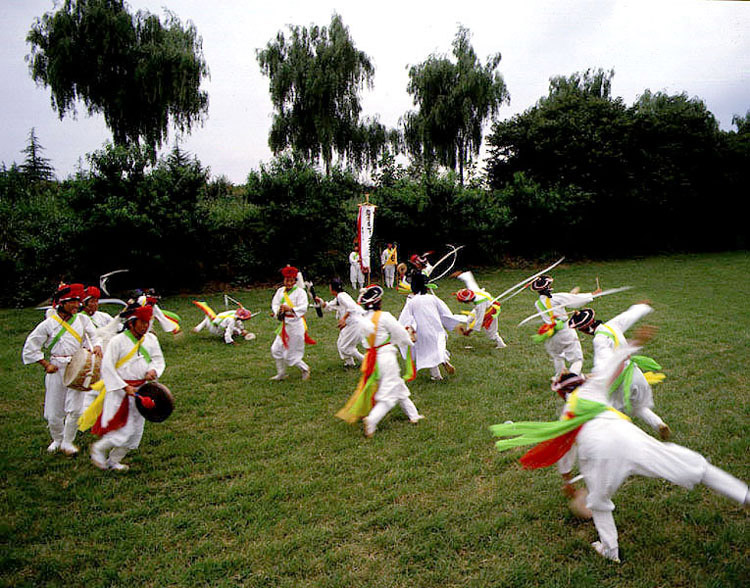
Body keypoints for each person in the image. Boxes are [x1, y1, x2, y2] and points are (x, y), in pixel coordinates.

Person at [490, 327, 749, 563]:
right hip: (626, 435)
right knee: (690, 464)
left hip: (597, 450)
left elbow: (564, 450)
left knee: (599, 501)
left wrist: (567, 480)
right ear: (582, 384)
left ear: (562, 394)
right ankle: (743, 495)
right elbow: (614, 362)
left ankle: (610, 550)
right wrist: (635, 342)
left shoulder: (567, 414)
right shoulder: (595, 390)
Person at [568, 303, 670, 440]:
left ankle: (632, 440)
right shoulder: (612, 325)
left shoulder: (599, 340)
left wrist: (588, 377)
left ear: (584, 331)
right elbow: (628, 316)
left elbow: (604, 364)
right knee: (638, 407)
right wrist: (642, 307)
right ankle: (659, 424)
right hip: (636, 374)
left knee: (612, 412)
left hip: (620, 382)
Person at [22, 283, 101, 456]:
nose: (76, 305)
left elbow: (94, 335)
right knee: (53, 412)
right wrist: (46, 364)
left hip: (78, 366)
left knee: (75, 408)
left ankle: (67, 441)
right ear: (61, 303)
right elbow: (31, 347)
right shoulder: (48, 325)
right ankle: (57, 439)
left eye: (77, 302)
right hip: (57, 368)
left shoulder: (83, 319)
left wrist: (96, 346)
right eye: (71, 302)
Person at [336, 285, 424, 437]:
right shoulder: (385, 316)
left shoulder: (363, 319)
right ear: (378, 302)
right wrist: (409, 340)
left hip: (372, 359)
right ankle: (372, 420)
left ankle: (413, 415)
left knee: (397, 385)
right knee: (388, 395)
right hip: (386, 357)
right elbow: (400, 334)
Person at [88, 304, 166, 471]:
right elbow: (107, 367)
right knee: (121, 430)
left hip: (142, 390)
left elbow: (157, 359)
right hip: (120, 392)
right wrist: (124, 387)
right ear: (131, 323)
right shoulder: (117, 341)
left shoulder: (151, 339)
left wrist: (153, 370)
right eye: (142, 323)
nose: (146, 326)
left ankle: (114, 461)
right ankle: (98, 449)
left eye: (148, 323)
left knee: (135, 433)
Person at [529, 275, 600, 378]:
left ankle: (559, 377)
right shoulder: (557, 297)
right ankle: (571, 379)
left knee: (557, 356)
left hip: (551, 333)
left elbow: (568, 299)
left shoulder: (538, 303)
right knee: (577, 359)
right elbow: (574, 300)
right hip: (565, 331)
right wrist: (592, 294)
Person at [398, 272, 463, 380]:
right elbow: (445, 313)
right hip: (437, 330)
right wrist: (455, 324)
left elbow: (407, 319)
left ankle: (437, 375)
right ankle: (444, 361)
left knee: (428, 353)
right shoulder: (433, 298)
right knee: (437, 348)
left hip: (422, 333)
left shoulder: (412, 302)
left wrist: (409, 330)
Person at [270, 265, 313, 381]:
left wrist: (290, 309)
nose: (288, 283)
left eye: (291, 280)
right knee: (276, 349)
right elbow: (275, 304)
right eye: (286, 280)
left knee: (290, 355)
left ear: (295, 281)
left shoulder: (300, 293)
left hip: (296, 325)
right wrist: (278, 312)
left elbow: (304, 307)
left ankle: (304, 368)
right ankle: (281, 373)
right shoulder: (280, 291)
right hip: (284, 325)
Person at [316, 277, 365, 367]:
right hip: (350, 324)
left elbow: (352, 308)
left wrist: (343, 318)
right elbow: (328, 306)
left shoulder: (341, 296)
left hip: (355, 324)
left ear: (332, 287)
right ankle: (349, 363)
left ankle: (365, 360)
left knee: (345, 347)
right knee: (340, 343)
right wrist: (320, 301)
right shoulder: (339, 297)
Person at [454, 271, 507, 349]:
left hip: (490, 312)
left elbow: (479, 321)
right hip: (485, 307)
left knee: (490, 332)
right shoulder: (473, 291)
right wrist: (460, 275)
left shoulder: (480, 305)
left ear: (468, 300)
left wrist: (468, 332)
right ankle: (466, 326)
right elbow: (469, 281)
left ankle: (501, 344)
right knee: (470, 319)